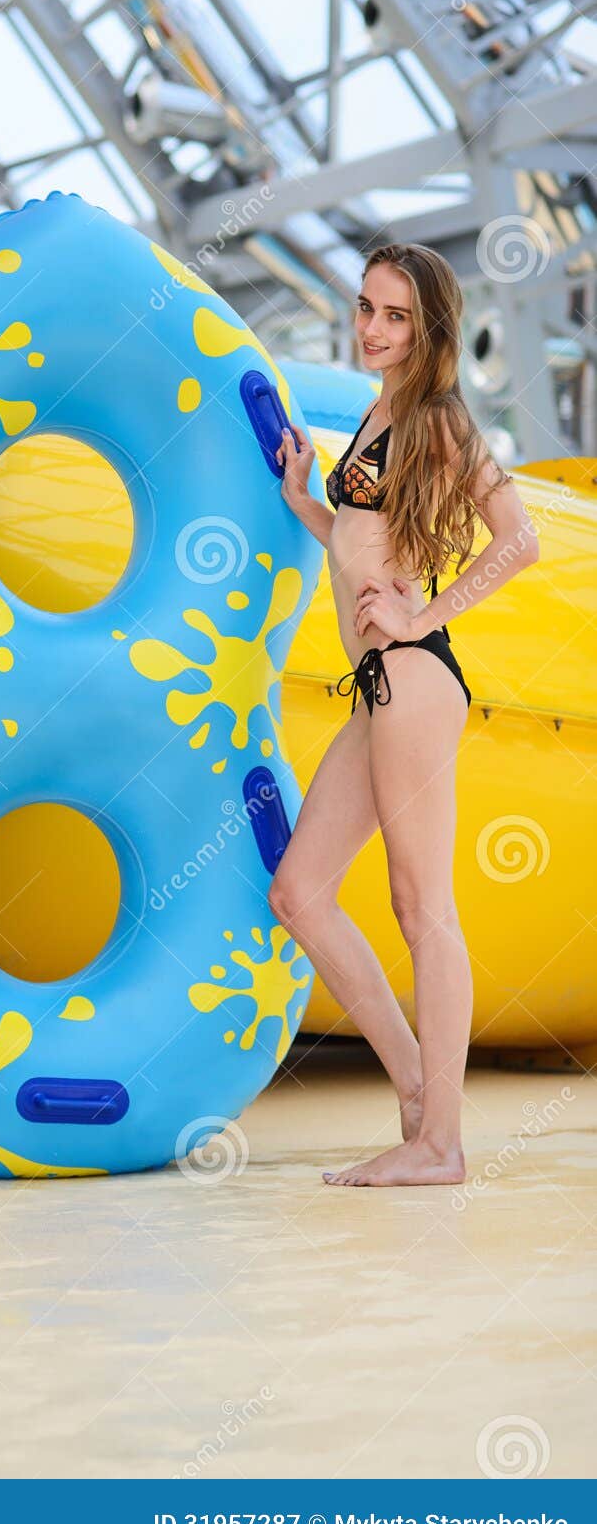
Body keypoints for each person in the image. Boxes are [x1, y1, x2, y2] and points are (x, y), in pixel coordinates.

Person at [270, 243, 539, 1187]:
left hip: (416, 677)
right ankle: (420, 1100)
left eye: (393, 317)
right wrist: (306, 499)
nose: (372, 328)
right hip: (378, 688)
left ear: (429, 330)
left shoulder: (435, 419)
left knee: (425, 911)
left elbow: (521, 541)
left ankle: (441, 1143)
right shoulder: (381, 411)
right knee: (300, 893)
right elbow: (361, 541)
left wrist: (422, 616)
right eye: (365, 308)